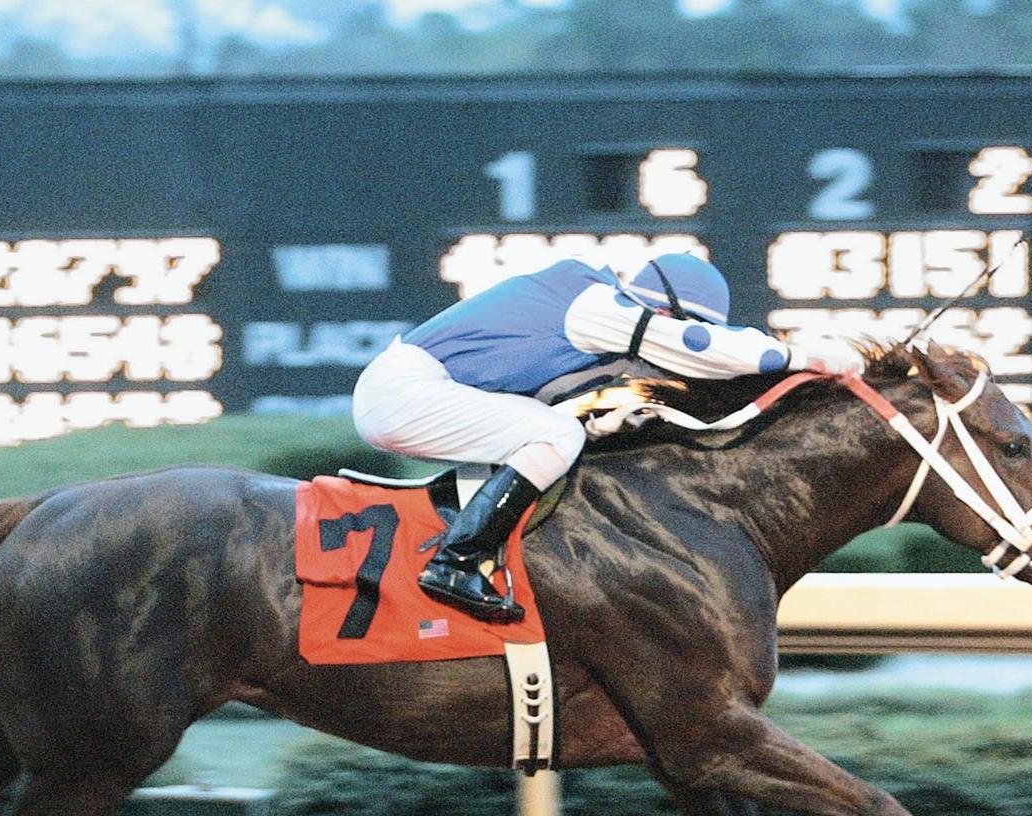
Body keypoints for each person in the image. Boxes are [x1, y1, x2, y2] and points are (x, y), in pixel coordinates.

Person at [351, 252, 865, 623]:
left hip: (409, 390)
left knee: (561, 431)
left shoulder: (587, 322)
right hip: (402, 393)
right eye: (683, 325)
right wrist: (806, 356)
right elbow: (699, 347)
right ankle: (455, 561)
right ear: (663, 312)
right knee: (553, 436)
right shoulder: (595, 306)